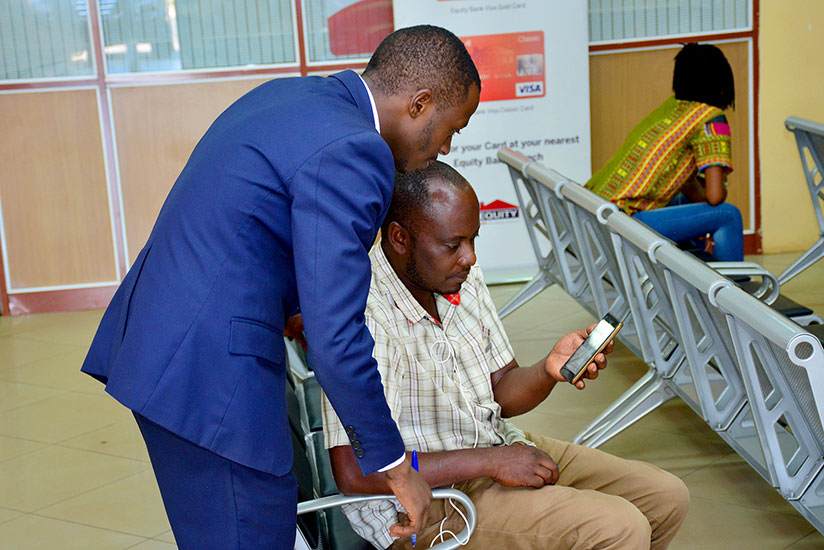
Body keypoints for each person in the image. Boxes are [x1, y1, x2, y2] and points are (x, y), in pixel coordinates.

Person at [80, 25, 480, 549]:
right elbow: (337, 334)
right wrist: (394, 465)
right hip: (208, 377)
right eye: (451, 128)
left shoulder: (294, 96)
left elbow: (255, 233)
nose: (446, 147)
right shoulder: (357, 152)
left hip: (166, 346)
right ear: (419, 103)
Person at [321, 161, 690, 550]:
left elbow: (500, 388)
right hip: (425, 507)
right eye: (454, 245)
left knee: (665, 497)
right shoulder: (362, 315)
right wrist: (491, 463)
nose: (470, 258)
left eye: (474, 240)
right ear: (399, 238)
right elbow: (355, 471)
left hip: (492, 444)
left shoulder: (458, 277)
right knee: (620, 527)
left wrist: (549, 370)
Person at [586, 43, 744, 261]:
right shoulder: (710, 118)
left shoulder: (672, 108)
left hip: (596, 211)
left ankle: (700, 264)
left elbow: (690, 187)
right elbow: (715, 197)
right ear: (722, 83)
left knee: (685, 202)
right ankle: (732, 290)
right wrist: (718, 192)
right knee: (728, 215)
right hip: (624, 222)